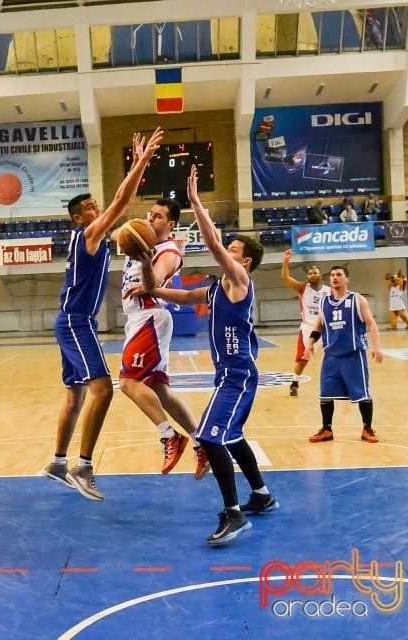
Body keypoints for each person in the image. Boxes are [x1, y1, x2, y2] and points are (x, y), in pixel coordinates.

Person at [145, 165, 275, 546]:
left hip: (238, 374)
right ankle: (262, 495)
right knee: (230, 438)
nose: (226, 252)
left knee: (209, 436)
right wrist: (151, 289)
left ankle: (233, 514)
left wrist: (197, 203)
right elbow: (186, 296)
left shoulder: (240, 281)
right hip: (228, 376)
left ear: (245, 261)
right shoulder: (219, 287)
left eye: (234, 251)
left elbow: (215, 245)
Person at [41, 127, 164, 501]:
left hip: (69, 321)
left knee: (74, 395)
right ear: (81, 218)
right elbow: (121, 203)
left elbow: (122, 216)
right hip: (77, 322)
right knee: (103, 390)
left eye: (97, 206)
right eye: (93, 208)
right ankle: (84, 466)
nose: (99, 210)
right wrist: (140, 161)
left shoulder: (90, 239)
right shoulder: (87, 235)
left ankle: (58, 464)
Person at [113, 198, 208, 478]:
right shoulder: (141, 241)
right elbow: (112, 233)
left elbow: (153, 281)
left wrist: (144, 262)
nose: (151, 219)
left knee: (128, 383)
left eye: (158, 216)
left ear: (171, 224)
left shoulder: (168, 251)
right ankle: (201, 443)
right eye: (150, 214)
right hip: (139, 319)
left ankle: (169, 436)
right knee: (160, 390)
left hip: (150, 316)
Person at [306, 266, 384, 444]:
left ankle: (367, 428)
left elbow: (371, 323)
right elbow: (319, 326)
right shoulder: (324, 302)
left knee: (362, 393)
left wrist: (376, 346)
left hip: (353, 355)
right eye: (332, 275)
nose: (334, 278)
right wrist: (310, 343)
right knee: (325, 394)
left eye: (339, 275)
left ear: (347, 279)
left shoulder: (357, 299)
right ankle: (326, 429)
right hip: (331, 356)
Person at [280, 249, 330, 397]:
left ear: (320, 275)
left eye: (315, 272)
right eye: (310, 273)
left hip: (326, 328)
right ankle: (295, 382)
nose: (312, 275)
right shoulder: (303, 288)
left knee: (337, 354)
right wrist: (286, 261)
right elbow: (286, 278)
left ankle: (340, 382)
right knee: (304, 357)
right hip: (308, 327)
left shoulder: (329, 291)